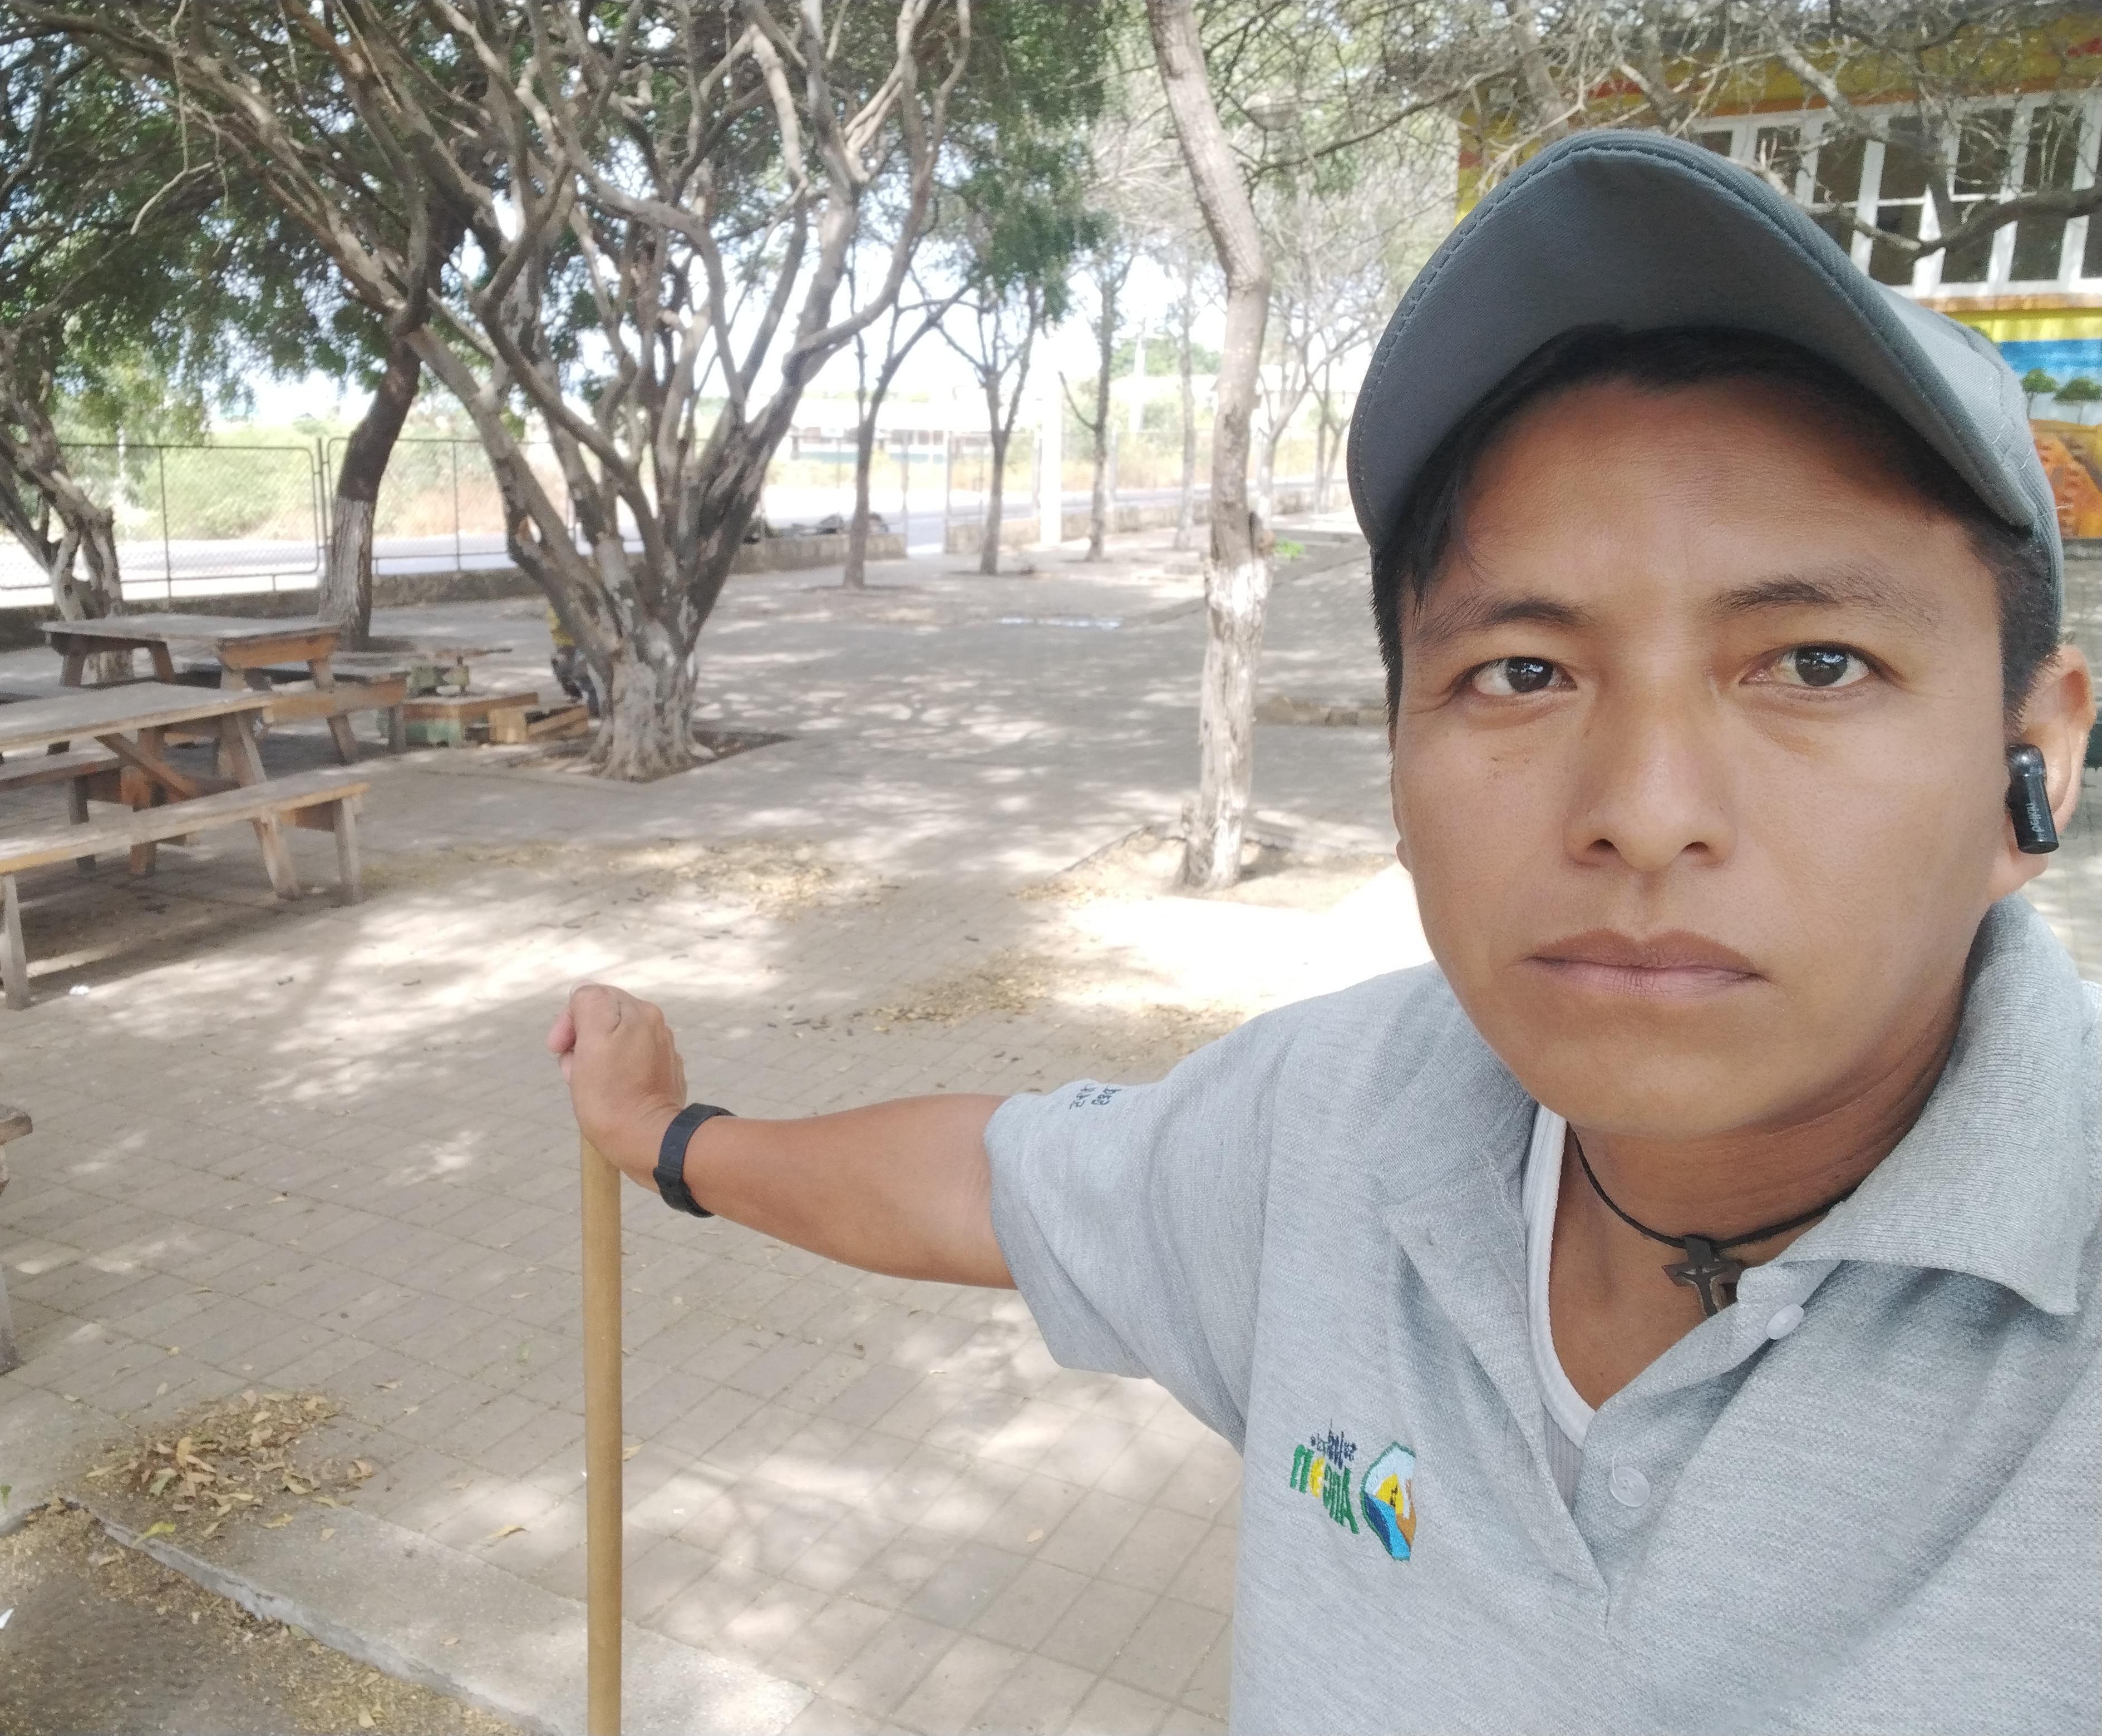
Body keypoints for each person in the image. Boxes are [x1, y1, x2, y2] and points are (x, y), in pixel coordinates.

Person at [551, 133, 2099, 1733]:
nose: (1644, 811)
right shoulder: (1337, 1125)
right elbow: (990, 1186)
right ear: (1400, 761)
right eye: (1521, 673)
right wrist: (669, 1139)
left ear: (2031, 766)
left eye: (1817, 664)